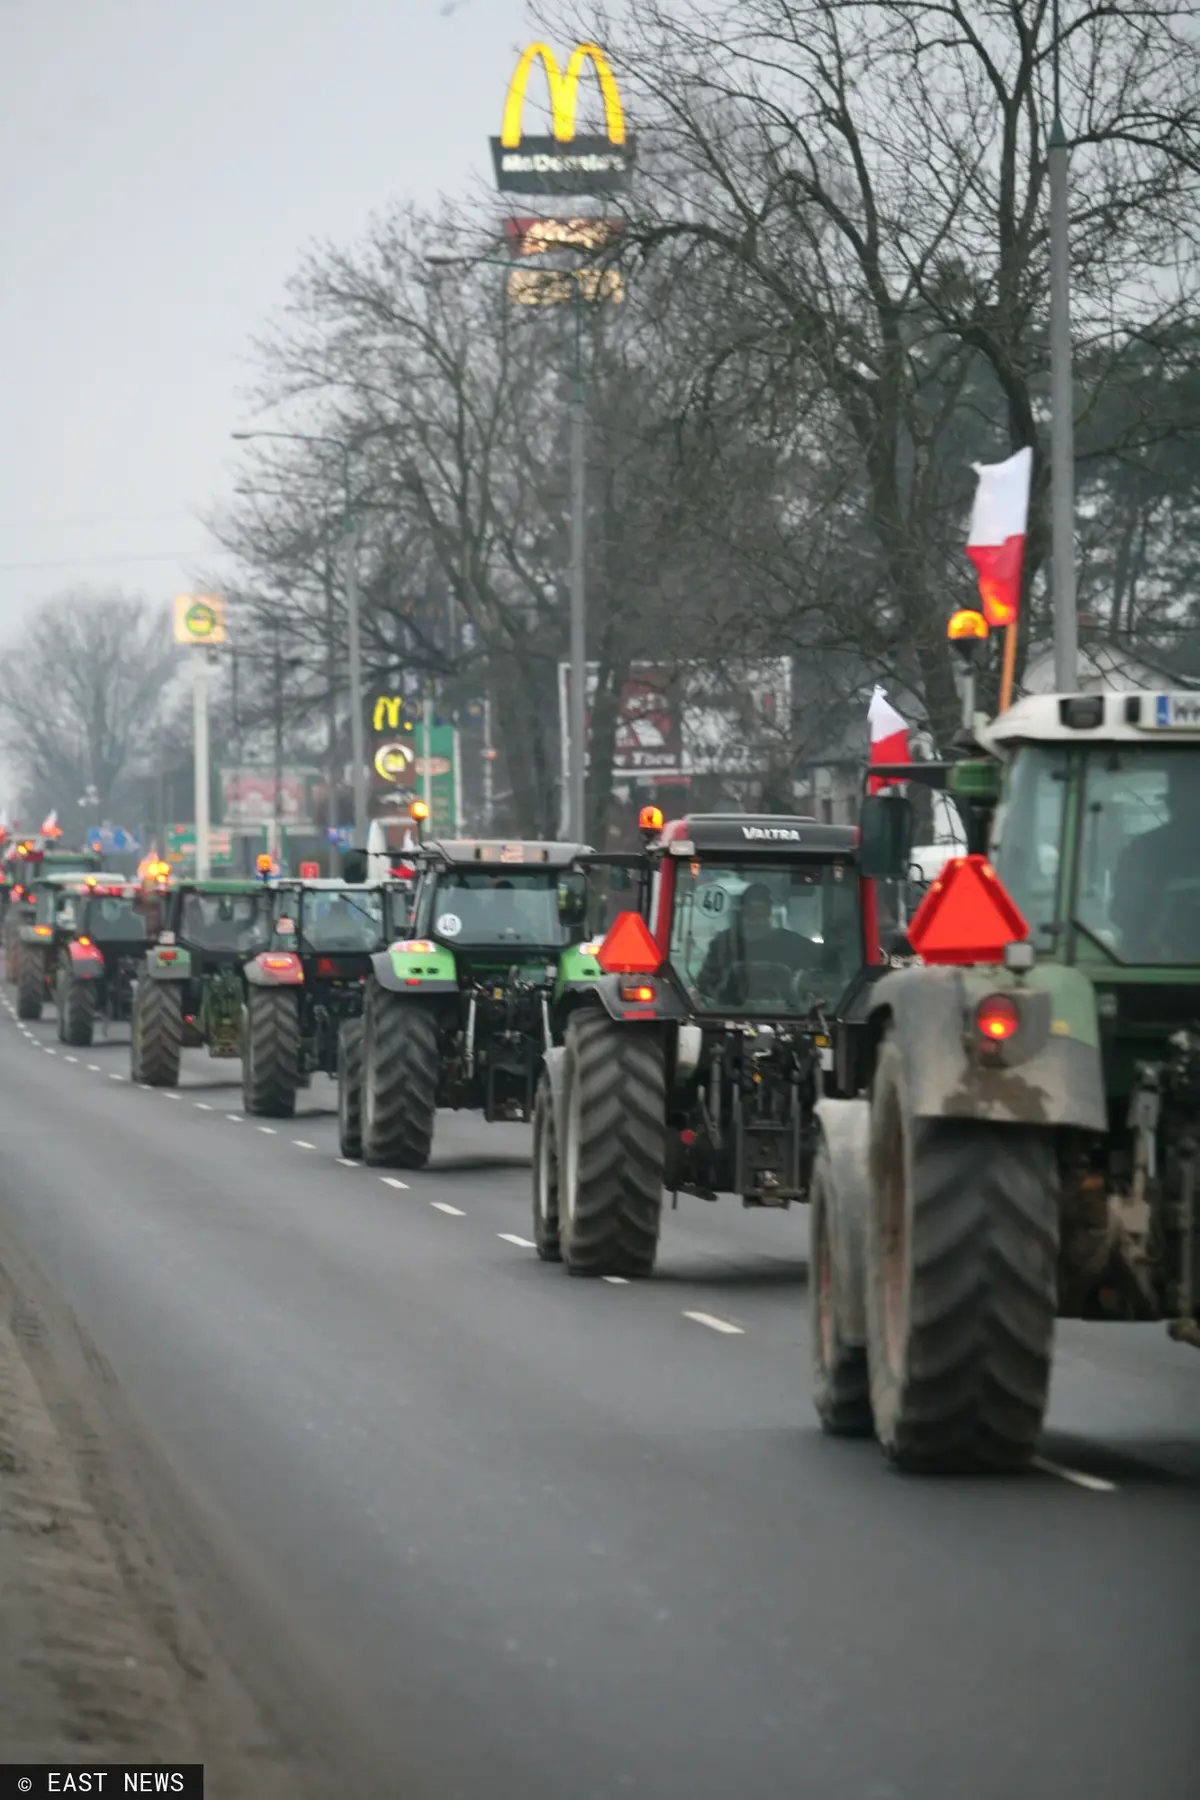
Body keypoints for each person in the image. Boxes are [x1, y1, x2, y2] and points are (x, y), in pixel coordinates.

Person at [1111, 756, 1199, 951]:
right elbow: (1123, 913)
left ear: (1169, 801)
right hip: (1147, 963)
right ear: (1171, 801)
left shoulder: (1142, 848)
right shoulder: (1142, 850)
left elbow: (1120, 913)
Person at [696, 881, 819, 1000]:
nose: (756, 915)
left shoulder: (794, 944)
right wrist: (723, 983)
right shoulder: (723, 944)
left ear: (769, 911)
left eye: (761, 909)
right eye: (752, 908)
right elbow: (706, 984)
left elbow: (821, 969)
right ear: (743, 910)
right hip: (729, 1013)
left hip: (789, 1015)